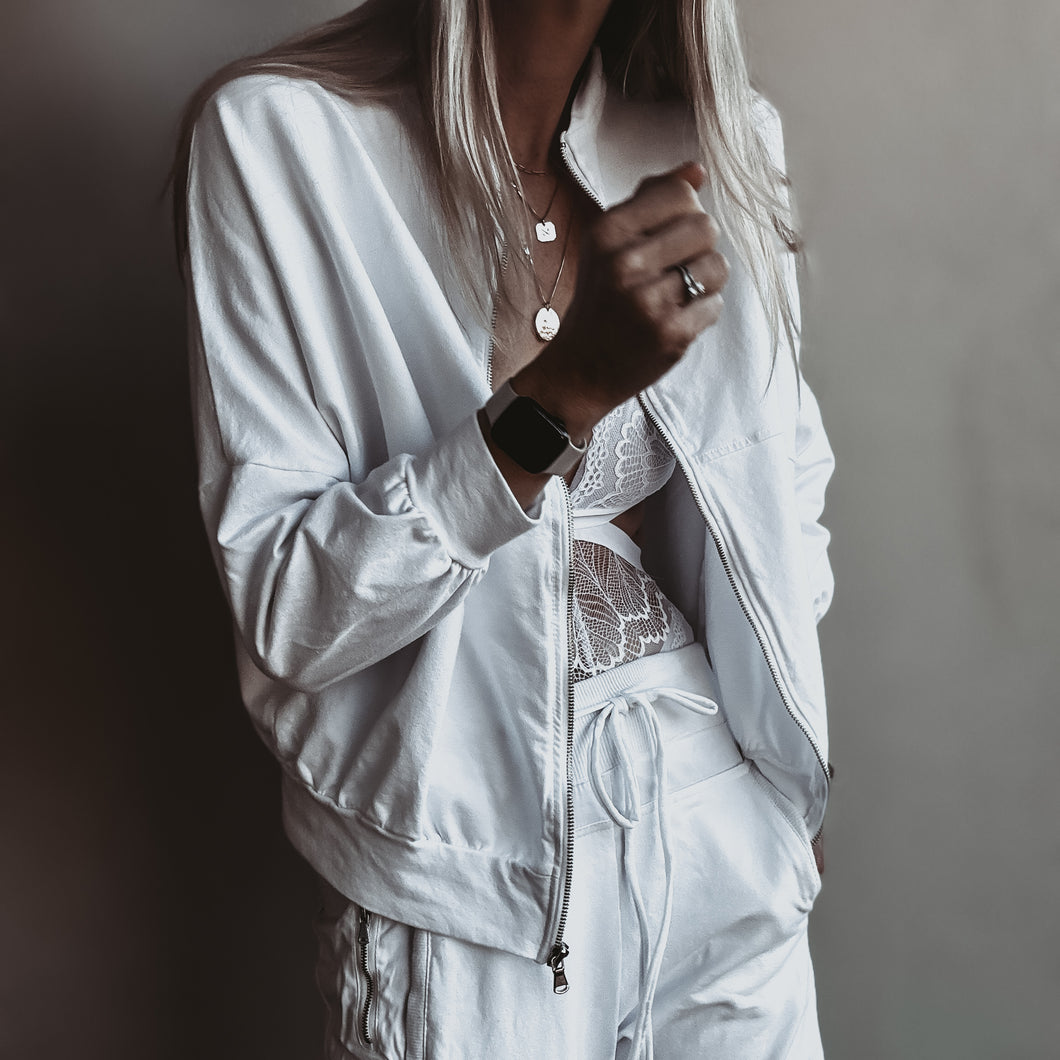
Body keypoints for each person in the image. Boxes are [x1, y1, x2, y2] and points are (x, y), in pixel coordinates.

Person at [175, 1, 835, 1056]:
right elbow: (293, 610)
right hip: (470, 882)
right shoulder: (279, 138)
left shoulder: (719, 139)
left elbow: (779, 494)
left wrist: (779, 778)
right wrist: (560, 396)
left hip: (720, 829)